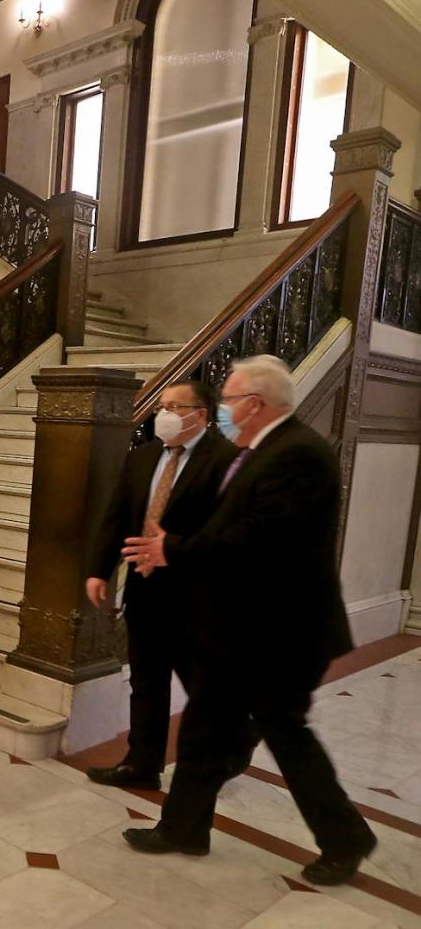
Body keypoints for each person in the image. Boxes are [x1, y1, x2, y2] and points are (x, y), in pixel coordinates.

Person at [121, 355, 376, 886]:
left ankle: (346, 838)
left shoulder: (300, 454)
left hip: (282, 633)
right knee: (204, 727)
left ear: (255, 404)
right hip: (237, 628)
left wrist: (176, 549)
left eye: (230, 400)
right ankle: (183, 828)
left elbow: (260, 538)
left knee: (287, 735)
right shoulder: (259, 450)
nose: (225, 410)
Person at [83, 380, 239, 790]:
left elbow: (229, 535)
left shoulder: (225, 461)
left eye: (175, 406)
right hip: (145, 589)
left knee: (201, 685)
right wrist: (100, 569)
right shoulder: (142, 457)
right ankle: (142, 763)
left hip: (197, 597)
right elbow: (118, 516)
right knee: (146, 682)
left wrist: (176, 549)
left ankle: (235, 742)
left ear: (201, 415)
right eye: (161, 405)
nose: (164, 414)